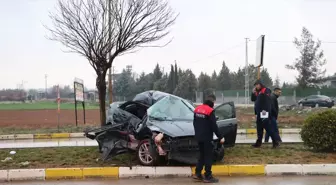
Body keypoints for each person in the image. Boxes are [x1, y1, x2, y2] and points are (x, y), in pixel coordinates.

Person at [192, 94, 225, 183]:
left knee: (202, 155)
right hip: (207, 138)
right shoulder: (210, 111)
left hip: (198, 137)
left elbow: (194, 123)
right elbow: (214, 126)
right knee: (208, 156)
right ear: (212, 102)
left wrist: (197, 133)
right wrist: (220, 137)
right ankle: (208, 176)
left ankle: (198, 173)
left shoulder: (197, 109)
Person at [251, 80, 280, 148]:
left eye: (257, 85)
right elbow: (253, 99)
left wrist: (265, 111)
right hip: (258, 113)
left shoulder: (266, 90)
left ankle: (275, 142)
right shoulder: (257, 92)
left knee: (268, 128)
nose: (256, 86)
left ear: (260, 84)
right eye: (255, 85)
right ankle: (258, 142)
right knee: (259, 128)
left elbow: (267, 100)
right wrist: (253, 93)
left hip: (264, 112)